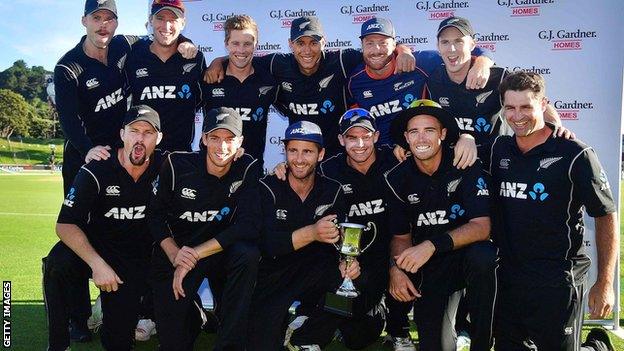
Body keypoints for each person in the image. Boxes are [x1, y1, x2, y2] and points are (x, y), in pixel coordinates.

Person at [53, 1, 196, 339]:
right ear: (84, 21)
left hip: (127, 150)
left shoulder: (123, 44)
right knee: (79, 235)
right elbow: (69, 120)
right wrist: (90, 150)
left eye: (110, 19)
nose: (104, 26)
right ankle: (79, 315)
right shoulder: (68, 67)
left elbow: (163, 32)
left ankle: (129, 301)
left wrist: (185, 40)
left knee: (136, 229)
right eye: (97, 18)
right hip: (87, 158)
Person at [491, 71, 616, 351]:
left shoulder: (576, 154)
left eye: (526, 107)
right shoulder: (498, 150)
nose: (517, 116)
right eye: (510, 108)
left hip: (558, 279)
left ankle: (595, 347)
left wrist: (604, 283)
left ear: (544, 104)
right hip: (509, 277)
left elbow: (606, 215)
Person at [43, 105, 164, 351]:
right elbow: (65, 224)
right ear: (122, 134)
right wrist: (97, 264)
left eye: (148, 133)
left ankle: (110, 311)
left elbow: (210, 162)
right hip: (96, 250)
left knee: (117, 343)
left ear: (158, 138)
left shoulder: (167, 166)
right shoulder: (98, 167)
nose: (139, 138)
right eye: (134, 131)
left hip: (133, 259)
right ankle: (58, 343)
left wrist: (235, 154)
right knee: (58, 262)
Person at [205, 16, 417, 156]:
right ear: (290, 45)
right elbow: (242, 57)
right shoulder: (277, 64)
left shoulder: (341, 61)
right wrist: (217, 62)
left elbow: (376, 52)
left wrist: (402, 50)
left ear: (324, 42)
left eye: (313, 42)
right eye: (300, 43)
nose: (307, 50)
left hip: (339, 156)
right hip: (301, 156)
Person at [278, 108, 397, 349]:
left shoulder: (395, 161)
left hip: (387, 259)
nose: (360, 144)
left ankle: (334, 318)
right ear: (341, 140)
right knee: (341, 288)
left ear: (376, 136)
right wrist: (283, 169)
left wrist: (466, 139)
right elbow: (300, 172)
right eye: (352, 137)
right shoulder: (327, 170)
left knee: (362, 336)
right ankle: (309, 337)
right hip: (340, 260)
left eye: (365, 136)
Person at [384, 99, 497, 351]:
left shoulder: (464, 163)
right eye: (414, 131)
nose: (421, 138)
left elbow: (482, 226)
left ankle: (482, 342)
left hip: (466, 256)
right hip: (432, 267)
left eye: (429, 130)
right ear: (406, 137)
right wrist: (396, 269)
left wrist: (431, 245)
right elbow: (401, 237)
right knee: (436, 346)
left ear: (443, 134)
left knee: (484, 256)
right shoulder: (396, 178)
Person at [149, 107, 261, 350]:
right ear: (203, 139)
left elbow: (247, 225)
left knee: (248, 254)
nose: (222, 147)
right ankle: (196, 312)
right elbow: (155, 215)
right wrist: (176, 255)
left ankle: (229, 343)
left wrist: (196, 254)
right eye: (215, 138)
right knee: (174, 342)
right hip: (178, 251)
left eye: (230, 139)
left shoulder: (248, 167)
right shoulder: (176, 164)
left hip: (218, 250)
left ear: (240, 142)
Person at [247, 121, 349, 350]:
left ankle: (307, 336)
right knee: (260, 344)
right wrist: (312, 232)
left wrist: (347, 260)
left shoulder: (333, 190)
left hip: (318, 271)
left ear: (321, 154)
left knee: (346, 290)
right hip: (275, 274)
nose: (299, 159)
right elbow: (265, 245)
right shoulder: (267, 187)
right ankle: (283, 324)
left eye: (307, 152)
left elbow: (342, 239)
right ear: (285, 151)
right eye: (293, 150)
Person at [126, 0, 206, 152]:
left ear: (182, 23)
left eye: (173, 20)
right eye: (160, 18)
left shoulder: (195, 58)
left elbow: (206, 102)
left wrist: (218, 62)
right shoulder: (133, 54)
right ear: (150, 20)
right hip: (141, 155)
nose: (166, 26)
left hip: (180, 155)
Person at [201, 15, 278, 171]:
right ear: (226, 44)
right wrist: (217, 62)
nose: (241, 50)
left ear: (256, 45)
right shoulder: (209, 78)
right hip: (210, 171)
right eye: (235, 43)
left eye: (247, 44)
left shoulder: (268, 79)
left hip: (251, 172)